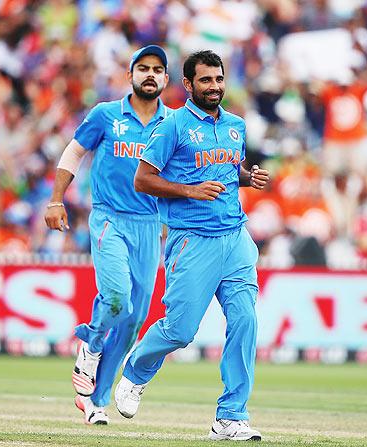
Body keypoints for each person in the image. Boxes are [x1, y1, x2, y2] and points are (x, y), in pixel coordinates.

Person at [114, 50, 269, 441]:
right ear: (188, 84)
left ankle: (231, 415)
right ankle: (136, 371)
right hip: (191, 241)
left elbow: (226, 170)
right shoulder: (173, 126)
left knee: (245, 321)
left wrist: (248, 178)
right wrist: (190, 190)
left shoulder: (235, 125)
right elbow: (143, 180)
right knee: (180, 332)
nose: (214, 86)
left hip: (235, 237)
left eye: (218, 79)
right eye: (205, 80)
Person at [44, 45, 171, 425]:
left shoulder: (174, 123)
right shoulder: (106, 115)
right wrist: (55, 200)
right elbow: (74, 152)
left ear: (166, 79)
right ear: (130, 74)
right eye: (143, 68)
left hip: (150, 227)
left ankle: (94, 401)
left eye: (158, 69)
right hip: (110, 219)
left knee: (133, 321)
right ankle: (91, 343)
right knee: (117, 298)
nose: (150, 74)